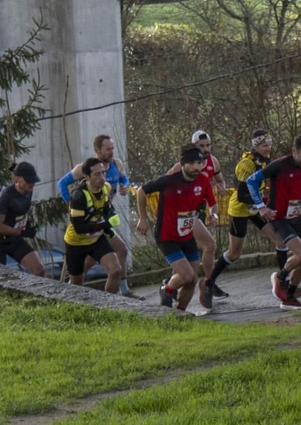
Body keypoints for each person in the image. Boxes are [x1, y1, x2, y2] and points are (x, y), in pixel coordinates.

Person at [246, 134, 301, 311]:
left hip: (295, 216)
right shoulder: (279, 165)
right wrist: (261, 207)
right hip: (278, 217)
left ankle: (289, 296)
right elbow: (251, 181)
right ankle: (280, 277)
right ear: (294, 151)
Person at [134, 145, 217, 314]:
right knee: (186, 275)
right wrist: (143, 218)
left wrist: (213, 214)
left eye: (199, 163)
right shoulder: (169, 180)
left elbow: (213, 203)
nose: (196, 167)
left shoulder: (203, 181)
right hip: (167, 236)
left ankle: (180, 312)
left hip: (187, 236)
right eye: (191, 163)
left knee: (192, 279)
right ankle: (167, 289)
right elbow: (141, 191)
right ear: (182, 164)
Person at [209, 128, 282, 295]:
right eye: (264, 146)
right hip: (240, 209)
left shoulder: (265, 161)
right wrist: (262, 204)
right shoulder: (246, 164)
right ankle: (209, 282)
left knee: (280, 241)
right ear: (255, 147)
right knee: (234, 253)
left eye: (269, 145)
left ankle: (283, 281)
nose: (268, 149)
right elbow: (242, 195)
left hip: (255, 208)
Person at [59, 135, 133, 294]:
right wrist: (70, 203)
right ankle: (73, 285)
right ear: (97, 150)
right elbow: (62, 183)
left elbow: (124, 179)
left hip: (99, 228)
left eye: (113, 148)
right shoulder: (82, 173)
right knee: (78, 280)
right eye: (108, 149)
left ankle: (121, 294)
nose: (111, 152)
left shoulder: (115, 167)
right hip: (80, 234)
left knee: (119, 258)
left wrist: (124, 186)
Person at [64, 157, 125, 292]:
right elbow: (79, 228)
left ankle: (108, 303)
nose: (102, 177)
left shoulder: (106, 187)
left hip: (96, 239)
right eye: (97, 174)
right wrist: (104, 225)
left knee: (115, 270)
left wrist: (110, 217)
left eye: (103, 173)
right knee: (76, 285)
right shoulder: (78, 196)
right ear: (86, 176)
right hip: (76, 242)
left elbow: (106, 209)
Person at [0, 162, 46, 274]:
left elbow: (19, 212)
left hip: (14, 240)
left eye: (33, 180)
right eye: (28, 181)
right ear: (18, 179)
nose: (32, 184)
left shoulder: (28, 190)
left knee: (39, 270)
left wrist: (26, 224)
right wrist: (22, 232)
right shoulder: (5, 197)